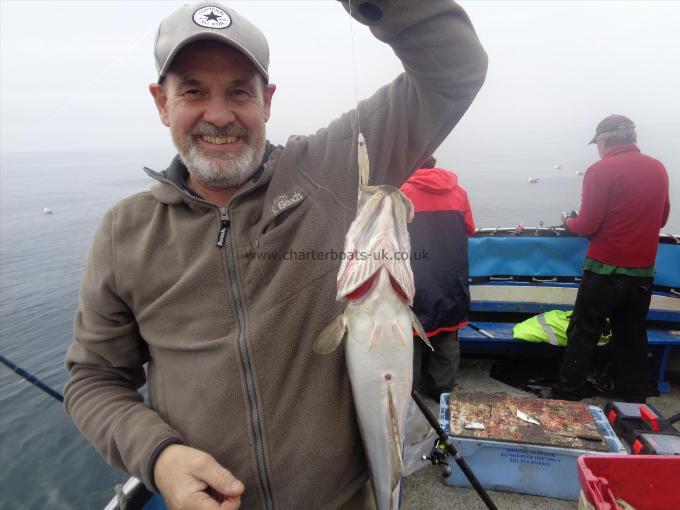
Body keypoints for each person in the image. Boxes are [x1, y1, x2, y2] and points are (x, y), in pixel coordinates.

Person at [63, 1, 487, 508]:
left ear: (267, 101)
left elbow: (453, 72)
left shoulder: (329, 168)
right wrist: (159, 457)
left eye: (240, 91)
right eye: (194, 91)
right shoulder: (123, 232)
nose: (219, 115)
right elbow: (94, 380)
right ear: (161, 102)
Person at [555, 114, 670, 402]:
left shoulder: (600, 170)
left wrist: (568, 222)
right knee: (631, 337)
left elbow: (587, 225)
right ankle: (633, 402)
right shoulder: (658, 169)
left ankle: (569, 396)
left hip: (603, 273)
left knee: (583, 334)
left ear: (604, 141)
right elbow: (663, 219)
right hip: (642, 275)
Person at [400, 157, 475, 402]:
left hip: (415, 283)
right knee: (447, 339)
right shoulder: (459, 192)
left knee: (411, 340)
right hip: (450, 283)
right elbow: (470, 228)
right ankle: (442, 393)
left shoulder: (402, 194)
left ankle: (410, 395)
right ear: (434, 164)